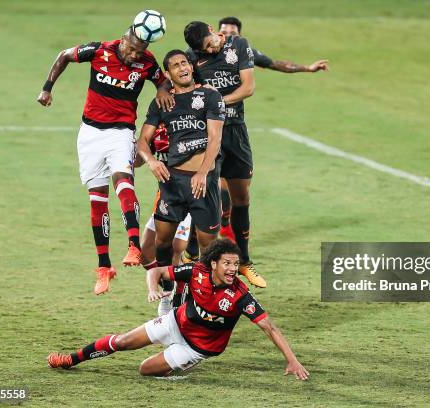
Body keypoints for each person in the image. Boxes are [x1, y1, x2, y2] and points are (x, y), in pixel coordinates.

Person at [47, 239, 309, 380]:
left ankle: (181, 363)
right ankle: (71, 359)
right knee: (124, 341)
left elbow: (268, 326)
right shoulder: (197, 272)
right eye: (227, 263)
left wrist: (292, 360)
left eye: (236, 264)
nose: (232, 269)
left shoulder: (239, 295)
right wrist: (152, 288)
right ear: (214, 262)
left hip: (197, 347)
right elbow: (158, 271)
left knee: (145, 371)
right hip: (176, 322)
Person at [37, 24, 172, 295]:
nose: (135, 55)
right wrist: (47, 88)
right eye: (132, 48)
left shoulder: (147, 63)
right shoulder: (99, 50)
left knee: (124, 182)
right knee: (97, 199)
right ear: (123, 39)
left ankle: (134, 244)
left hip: (121, 132)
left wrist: (162, 89)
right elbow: (64, 55)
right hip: (89, 134)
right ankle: (104, 266)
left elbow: (164, 81)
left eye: (141, 50)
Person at [216, 17, 329, 240]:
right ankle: (215, 230)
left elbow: (275, 63)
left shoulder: (244, 51)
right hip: (211, 125)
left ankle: (226, 225)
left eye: (233, 32)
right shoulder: (206, 52)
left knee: (235, 186)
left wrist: (307, 68)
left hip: (235, 126)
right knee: (218, 183)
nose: (228, 35)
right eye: (224, 31)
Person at [136, 49, 225, 314]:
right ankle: (167, 295)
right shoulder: (162, 103)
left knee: (210, 248)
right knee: (163, 244)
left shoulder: (210, 95)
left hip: (203, 183)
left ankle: (205, 300)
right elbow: (142, 140)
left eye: (184, 63)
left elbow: (215, 139)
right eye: (175, 65)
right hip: (173, 183)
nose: (182, 67)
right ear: (169, 73)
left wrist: (203, 172)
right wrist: (152, 161)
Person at [184, 21, 266, 288]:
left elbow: (248, 88)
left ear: (212, 31)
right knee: (209, 199)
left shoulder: (239, 45)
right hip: (209, 136)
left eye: (210, 43)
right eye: (204, 49)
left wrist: (216, 100)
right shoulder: (191, 59)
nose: (209, 50)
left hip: (236, 133)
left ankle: (244, 261)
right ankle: (194, 253)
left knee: (241, 196)